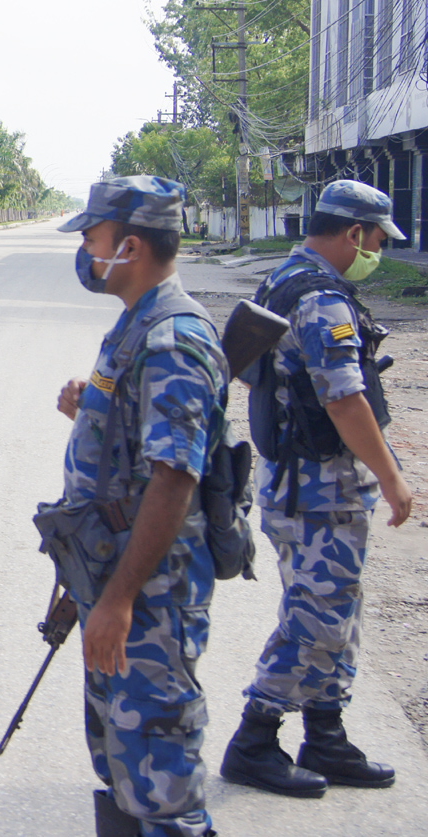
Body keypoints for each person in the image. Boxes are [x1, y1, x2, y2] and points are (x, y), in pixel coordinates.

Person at [219, 179, 414, 799]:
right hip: (320, 488)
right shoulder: (322, 299)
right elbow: (344, 399)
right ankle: (255, 737)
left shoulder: (279, 280)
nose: (378, 249)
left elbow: (257, 374)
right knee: (317, 616)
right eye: (378, 239)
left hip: (295, 480)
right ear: (354, 232)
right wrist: (391, 476)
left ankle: (325, 736)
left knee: (334, 609)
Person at [51, 176, 227, 836]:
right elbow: (137, 439)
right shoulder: (137, 324)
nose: (87, 251)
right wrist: (89, 404)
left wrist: (121, 599)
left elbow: (174, 481)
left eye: (92, 237)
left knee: (160, 778)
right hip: (115, 576)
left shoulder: (173, 338)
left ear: (129, 245)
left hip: (148, 594)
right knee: (125, 761)